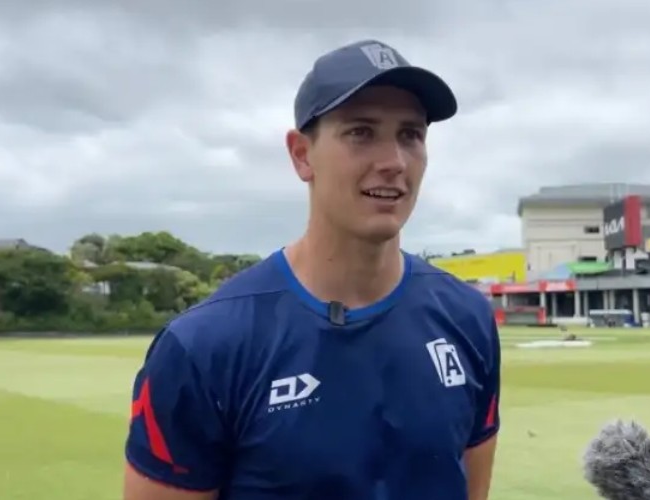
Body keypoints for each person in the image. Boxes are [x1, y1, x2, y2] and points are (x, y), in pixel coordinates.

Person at [123, 39, 501, 500]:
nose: (393, 162)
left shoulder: (468, 318)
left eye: (410, 135)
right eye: (361, 132)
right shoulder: (202, 347)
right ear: (302, 155)